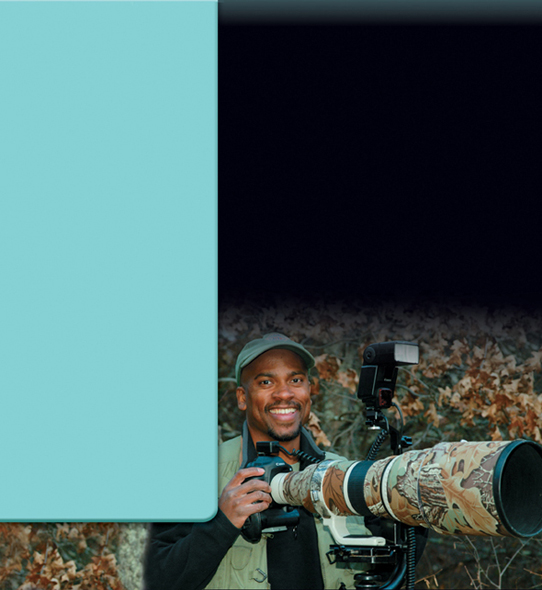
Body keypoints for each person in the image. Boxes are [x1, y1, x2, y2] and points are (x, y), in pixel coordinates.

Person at [144, 333, 411, 590]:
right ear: (241, 398)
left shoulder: (344, 474)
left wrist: (410, 502)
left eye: (295, 380)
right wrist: (222, 523)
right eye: (266, 382)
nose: (284, 394)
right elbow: (159, 580)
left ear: (309, 390)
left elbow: (393, 570)